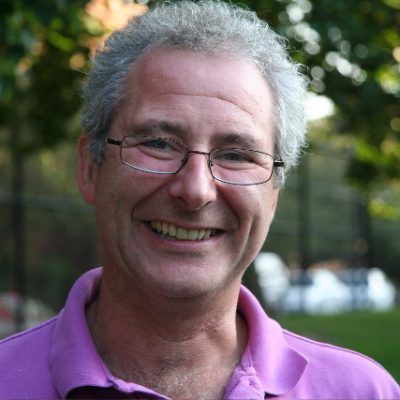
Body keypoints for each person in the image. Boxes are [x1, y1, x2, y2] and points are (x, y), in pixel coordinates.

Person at [0, 1, 399, 399]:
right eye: (158, 143)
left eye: (236, 155)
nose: (196, 191)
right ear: (90, 168)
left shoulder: (363, 391)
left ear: (274, 192)